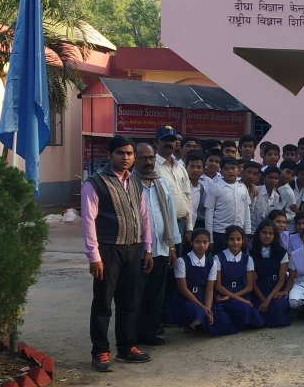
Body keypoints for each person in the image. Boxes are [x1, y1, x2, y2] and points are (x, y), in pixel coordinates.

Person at [81, 136, 154, 371]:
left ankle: (127, 347)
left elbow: (144, 217)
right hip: (108, 250)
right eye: (120, 153)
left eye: (130, 154)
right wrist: (94, 256)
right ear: (109, 154)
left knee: (129, 301)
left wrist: (147, 248)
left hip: (133, 248)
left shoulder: (135, 182)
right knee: (103, 302)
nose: (126, 157)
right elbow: (88, 221)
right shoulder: (95, 183)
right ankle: (100, 351)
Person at [131, 142, 180, 347]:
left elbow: (170, 215)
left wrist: (172, 246)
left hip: (161, 248)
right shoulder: (129, 184)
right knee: (136, 295)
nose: (148, 162)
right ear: (135, 159)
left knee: (156, 293)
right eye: (143, 158)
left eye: (151, 158)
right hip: (138, 250)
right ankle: (131, 336)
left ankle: (149, 332)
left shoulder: (161, 183)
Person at [170, 228, 230, 336]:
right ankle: (187, 324)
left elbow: (209, 289)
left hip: (202, 298)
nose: (201, 245)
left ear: (208, 243)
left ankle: (199, 323)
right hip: (185, 300)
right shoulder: (182, 261)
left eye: (205, 242)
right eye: (198, 242)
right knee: (199, 314)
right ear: (191, 242)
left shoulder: (212, 262)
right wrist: (203, 308)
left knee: (223, 321)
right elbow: (183, 289)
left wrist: (208, 309)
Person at [214, 225, 266, 332]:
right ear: (226, 240)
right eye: (231, 239)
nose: (235, 242)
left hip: (241, 295)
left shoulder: (248, 259)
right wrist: (238, 299)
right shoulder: (218, 258)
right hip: (224, 297)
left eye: (238, 239)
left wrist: (234, 297)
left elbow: (250, 286)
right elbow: (218, 285)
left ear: (243, 240)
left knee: (247, 310)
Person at [249, 219, 291, 327]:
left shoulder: (282, 252)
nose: (267, 236)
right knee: (255, 314)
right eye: (264, 233)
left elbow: (281, 280)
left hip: (275, 290)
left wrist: (268, 300)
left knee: (277, 308)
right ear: (258, 234)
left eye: (271, 233)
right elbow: (252, 281)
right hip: (258, 291)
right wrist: (263, 299)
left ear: (275, 235)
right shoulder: (251, 253)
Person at [205, 156, 252, 251]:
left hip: (239, 231)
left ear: (238, 170)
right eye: (226, 169)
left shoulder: (242, 187)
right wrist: (210, 237)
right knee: (221, 258)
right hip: (220, 232)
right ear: (221, 171)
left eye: (233, 168)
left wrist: (247, 232)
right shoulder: (215, 188)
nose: (230, 171)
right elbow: (209, 212)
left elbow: (246, 210)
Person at [154, 126, 193, 233]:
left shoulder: (180, 168)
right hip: (161, 223)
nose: (169, 143)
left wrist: (189, 227)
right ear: (156, 142)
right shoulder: (152, 167)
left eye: (172, 140)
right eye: (165, 140)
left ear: (176, 143)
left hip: (181, 223)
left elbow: (188, 196)